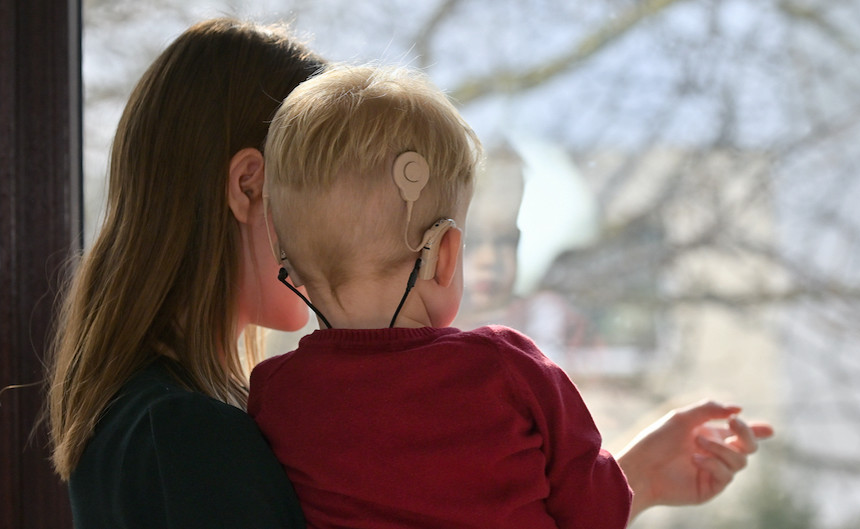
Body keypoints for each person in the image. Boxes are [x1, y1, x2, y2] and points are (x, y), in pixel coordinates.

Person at [251, 64, 773, 528]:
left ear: (285, 260)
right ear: (448, 252)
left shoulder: (274, 396)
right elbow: (592, 512)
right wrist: (643, 474)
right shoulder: (505, 368)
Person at [45, 18, 326, 528]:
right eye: (325, 193)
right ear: (247, 185)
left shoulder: (142, 416)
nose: (339, 233)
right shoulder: (190, 434)